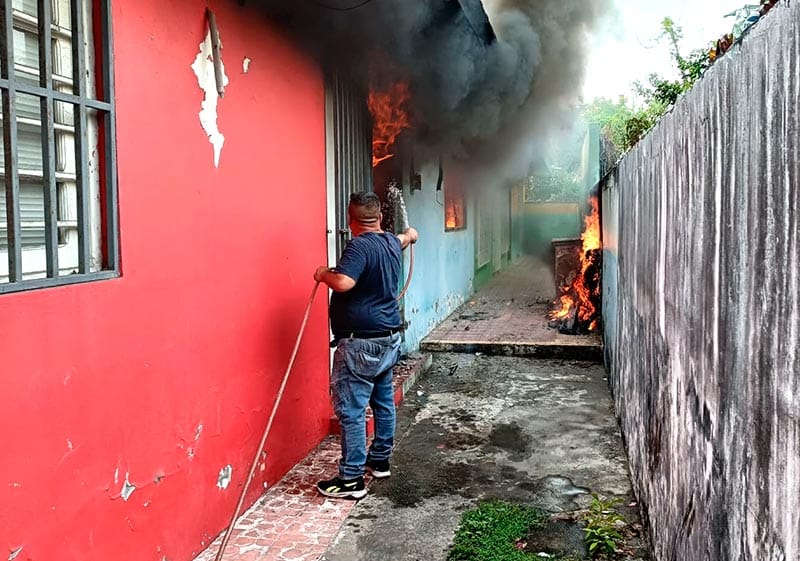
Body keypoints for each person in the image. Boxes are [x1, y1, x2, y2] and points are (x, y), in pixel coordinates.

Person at [313, 191, 418, 499]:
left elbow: (345, 282)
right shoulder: (388, 242)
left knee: (352, 410)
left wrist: (323, 274)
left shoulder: (358, 246)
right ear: (379, 218)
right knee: (383, 402)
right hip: (388, 340)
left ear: (350, 219)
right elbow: (403, 238)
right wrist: (411, 235)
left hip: (361, 345)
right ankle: (380, 460)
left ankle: (351, 479)